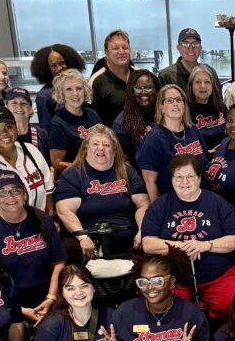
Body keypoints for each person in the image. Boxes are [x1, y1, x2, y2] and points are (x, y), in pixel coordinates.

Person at [141, 154, 235, 320]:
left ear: (199, 178)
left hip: (218, 274)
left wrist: (205, 245)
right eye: (179, 177)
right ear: (172, 179)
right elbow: (147, 243)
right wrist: (180, 246)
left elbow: (233, 241)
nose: (185, 182)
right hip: (175, 278)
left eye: (190, 176)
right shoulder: (160, 205)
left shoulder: (219, 203)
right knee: (169, 313)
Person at [0, 170, 66, 325]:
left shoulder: (41, 218)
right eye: (3, 192)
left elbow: (59, 262)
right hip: (9, 303)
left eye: (15, 190)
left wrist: (51, 297)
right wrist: (20, 309)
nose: (10, 196)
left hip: (49, 297)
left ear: (24, 194)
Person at [55, 125, 148, 262]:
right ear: (86, 148)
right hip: (89, 239)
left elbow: (143, 204)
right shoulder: (73, 174)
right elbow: (64, 211)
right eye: (95, 144)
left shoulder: (126, 171)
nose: (101, 148)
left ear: (115, 150)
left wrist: (142, 231)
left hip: (128, 238)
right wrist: (83, 237)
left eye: (106, 145)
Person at [136, 84, 208, 201]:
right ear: (161, 107)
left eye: (179, 100)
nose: (175, 104)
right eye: (170, 101)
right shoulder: (153, 139)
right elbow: (150, 182)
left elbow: (204, 158)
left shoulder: (192, 129)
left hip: (201, 198)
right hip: (171, 203)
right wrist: (158, 212)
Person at [48, 69, 102, 173]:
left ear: (85, 90)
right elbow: (57, 162)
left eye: (79, 88)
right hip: (77, 175)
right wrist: (84, 168)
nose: (75, 93)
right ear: (61, 93)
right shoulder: (58, 123)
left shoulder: (92, 114)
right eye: (68, 89)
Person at [30, 44, 86, 126]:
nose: (59, 68)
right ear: (46, 68)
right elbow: (46, 129)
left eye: (62, 63)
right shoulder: (44, 96)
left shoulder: (79, 86)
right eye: (53, 65)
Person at [111, 68, 159, 165]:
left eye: (148, 88)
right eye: (138, 88)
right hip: (139, 176)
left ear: (157, 89)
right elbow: (123, 162)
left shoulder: (167, 113)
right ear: (131, 92)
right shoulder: (122, 122)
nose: (143, 92)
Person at [90, 29, 135, 126]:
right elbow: (93, 120)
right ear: (106, 53)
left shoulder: (142, 76)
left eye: (125, 47)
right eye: (115, 48)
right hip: (112, 138)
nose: (121, 51)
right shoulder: (96, 81)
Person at [159, 27, 221, 96]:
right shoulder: (166, 75)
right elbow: (160, 103)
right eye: (185, 44)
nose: (191, 48)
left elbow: (218, 101)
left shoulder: (210, 72)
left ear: (200, 48)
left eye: (195, 44)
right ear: (178, 48)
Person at [4, 87, 50, 162]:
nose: (19, 107)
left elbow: (51, 165)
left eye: (23, 103)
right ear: (6, 108)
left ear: (30, 109)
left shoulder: (42, 135)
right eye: (14, 103)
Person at [187, 63, 227, 150]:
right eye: (198, 82)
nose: (203, 86)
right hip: (198, 160)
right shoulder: (184, 111)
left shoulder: (221, 106)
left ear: (213, 86)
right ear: (191, 86)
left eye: (207, 82)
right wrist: (207, 152)